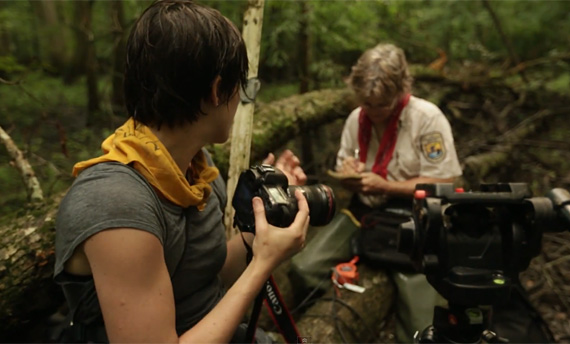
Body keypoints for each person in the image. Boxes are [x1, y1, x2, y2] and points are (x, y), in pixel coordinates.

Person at [53, 1, 309, 343]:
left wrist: (265, 230)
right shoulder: (118, 205)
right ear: (218, 91)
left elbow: (206, 273)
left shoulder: (196, 169)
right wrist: (263, 264)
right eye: (242, 89)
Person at [290, 43, 462, 343]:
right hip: (364, 211)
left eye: (382, 106)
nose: (373, 112)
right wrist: (348, 173)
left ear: (401, 90)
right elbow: (345, 170)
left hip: (415, 214)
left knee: (421, 323)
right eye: (367, 104)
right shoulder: (357, 119)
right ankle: (345, 306)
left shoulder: (426, 118)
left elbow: (446, 182)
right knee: (304, 268)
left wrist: (387, 186)